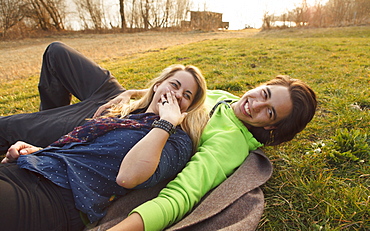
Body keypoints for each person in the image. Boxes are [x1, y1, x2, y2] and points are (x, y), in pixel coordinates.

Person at [0, 42, 317, 230]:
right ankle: (55, 143)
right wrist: (139, 94)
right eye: (264, 93)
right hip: (127, 101)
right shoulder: (227, 97)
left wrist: (128, 226)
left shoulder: (228, 142)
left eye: (269, 112)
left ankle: (54, 136)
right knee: (57, 53)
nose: (256, 103)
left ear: (271, 127)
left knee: (7, 128)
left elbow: (183, 194)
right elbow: (181, 89)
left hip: (128, 129)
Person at [0, 61, 208, 230]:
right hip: (34, 168)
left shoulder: (177, 140)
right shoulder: (127, 114)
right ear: (157, 85)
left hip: (57, 197)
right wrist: (39, 151)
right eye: (174, 85)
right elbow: (83, 151)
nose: (178, 94)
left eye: (187, 96)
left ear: (188, 108)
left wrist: (167, 123)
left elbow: (128, 176)